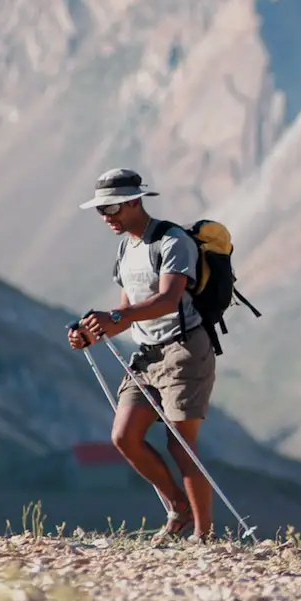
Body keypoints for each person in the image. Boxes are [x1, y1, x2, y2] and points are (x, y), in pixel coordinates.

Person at [67, 168, 216, 543]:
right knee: (124, 436)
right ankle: (178, 508)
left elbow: (167, 300)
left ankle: (203, 535)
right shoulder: (126, 248)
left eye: (113, 208)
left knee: (180, 443)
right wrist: (94, 333)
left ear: (135, 200)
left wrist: (116, 318)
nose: (106, 217)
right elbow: (126, 310)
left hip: (184, 351)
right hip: (145, 356)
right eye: (101, 211)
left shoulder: (172, 240)